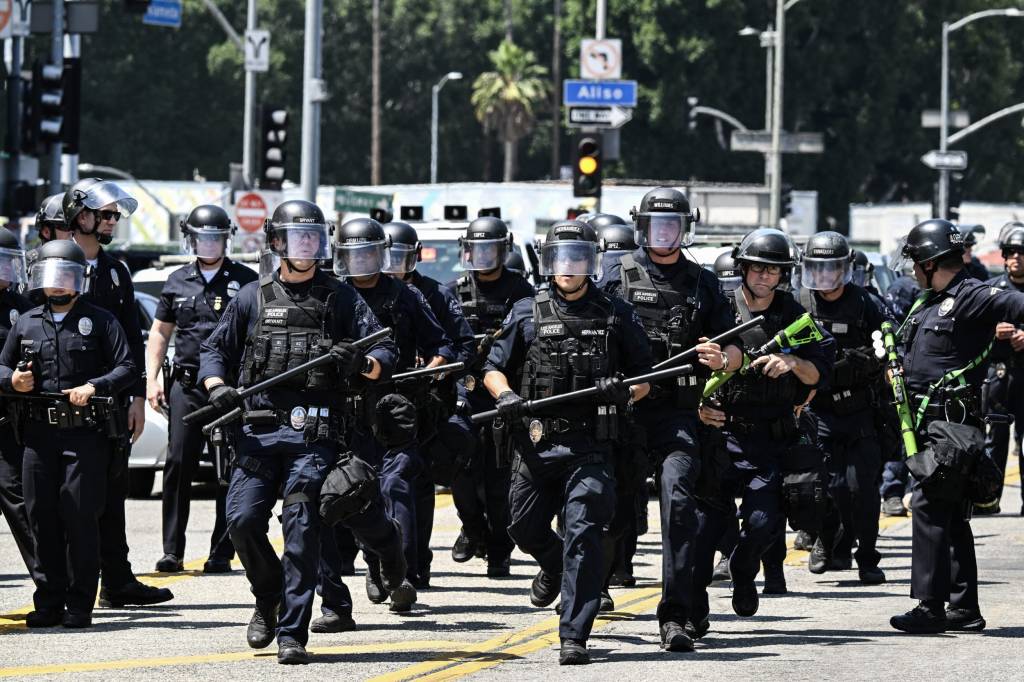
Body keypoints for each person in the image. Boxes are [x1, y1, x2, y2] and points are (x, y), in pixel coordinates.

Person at [199, 200, 404, 663]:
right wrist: (217, 389)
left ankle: (292, 632)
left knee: (302, 528)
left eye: (314, 237)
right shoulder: (252, 296)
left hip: (314, 437)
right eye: (297, 238)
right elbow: (214, 351)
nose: (307, 246)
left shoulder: (341, 298)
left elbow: (386, 351)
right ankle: (267, 595)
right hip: (257, 432)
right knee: (242, 522)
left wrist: (362, 363)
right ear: (277, 243)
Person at [481, 220, 654, 665]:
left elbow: (648, 379)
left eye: (577, 258)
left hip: (591, 445)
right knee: (521, 527)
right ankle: (554, 566)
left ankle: (574, 634)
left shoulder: (617, 313)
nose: (568, 268)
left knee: (583, 534)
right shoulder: (525, 310)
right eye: (560, 259)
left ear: (591, 263)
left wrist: (626, 391)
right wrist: (507, 396)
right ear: (547, 262)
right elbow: (492, 367)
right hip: (537, 442)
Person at [600, 187, 741, 652]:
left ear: (686, 229)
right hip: (622, 413)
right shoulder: (613, 276)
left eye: (673, 226)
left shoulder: (702, 283)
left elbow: (736, 344)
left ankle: (676, 614)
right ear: (640, 226)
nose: (664, 234)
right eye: (656, 226)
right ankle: (582, 586)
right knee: (607, 509)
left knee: (679, 502)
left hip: (678, 414)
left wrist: (723, 359)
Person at [888, 219, 1024, 634]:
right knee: (950, 514)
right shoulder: (928, 300)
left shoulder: (971, 296)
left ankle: (930, 606)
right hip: (927, 423)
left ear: (930, 262)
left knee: (928, 504)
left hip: (953, 423)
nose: (912, 268)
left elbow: (1016, 305)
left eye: (916, 261)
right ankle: (964, 607)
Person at [694, 228, 833, 632]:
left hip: (768, 437)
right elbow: (689, 366)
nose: (764, 277)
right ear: (742, 268)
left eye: (773, 271)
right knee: (703, 530)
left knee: (762, 523)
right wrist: (699, 406)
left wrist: (792, 364)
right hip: (719, 432)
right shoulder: (718, 308)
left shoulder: (796, 315)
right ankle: (694, 608)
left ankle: (743, 565)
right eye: (757, 268)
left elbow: (821, 369)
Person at [0, 239, 136, 628]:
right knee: (40, 518)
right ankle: (48, 601)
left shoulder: (102, 320)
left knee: (79, 518)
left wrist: (95, 385)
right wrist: (13, 380)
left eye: (66, 276)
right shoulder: (26, 321)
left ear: (79, 280)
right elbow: (2, 366)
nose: (58, 285)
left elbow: (127, 366)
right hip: (37, 437)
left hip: (84, 436)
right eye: (51, 276)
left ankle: (79, 604)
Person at [327, 217, 453, 607]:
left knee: (394, 483)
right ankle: (375, 559)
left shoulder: (406, 296)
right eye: (354, 254)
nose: (362, 261)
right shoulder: (332, 295)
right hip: (345, 411)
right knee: (349, 492)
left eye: (369, 252)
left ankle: (401, 569)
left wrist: (424, 378)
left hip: (396, 411)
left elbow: (443, 347)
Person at [63, 178, 173, 608]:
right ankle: (66, 586)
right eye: (104, 214)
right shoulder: (49, 265)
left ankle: (118, 580)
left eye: (115, 215)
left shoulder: (116, 272)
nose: (112, 222)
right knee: (66, 498)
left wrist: (138, 397)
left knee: (113, 491)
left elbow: (132, 337)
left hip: (110, 399)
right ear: (80, 215)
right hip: (61, 399)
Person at [146, 205, 258, 573]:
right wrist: (153, 380)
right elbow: (160, 333)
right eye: (202, 238)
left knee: (230, 465)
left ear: (227, 239)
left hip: (231, 386)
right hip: (188, 384)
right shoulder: (176, 279)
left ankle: (221, 551)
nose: (209, 244)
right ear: (190, 239)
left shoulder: (246, 279)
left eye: (216, 237)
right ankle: (172, 550)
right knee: (178, 462)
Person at [382, 220, 476, 587]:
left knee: (415, 481)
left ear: (415, 257)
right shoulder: (357, 292)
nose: (392, 265)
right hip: (374, 398)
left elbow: (461, 344)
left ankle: (415, 564)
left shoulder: (435, 294)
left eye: (400, 257)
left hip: (423, 400)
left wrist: (438, 368)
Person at [797, 231, 888, 585]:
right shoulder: (801, 301)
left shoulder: (865, 303)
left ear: (844, 269)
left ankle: (867, 556)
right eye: (817, 268)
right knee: (823, 487)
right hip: (817, 411)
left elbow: (887, 344)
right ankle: (825, 539)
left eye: (831, 268)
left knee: (862, 489)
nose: (824, 276)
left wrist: (860, 362)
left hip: (859, 411)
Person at [445, 217, 535, 575]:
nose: (482, 256)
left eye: (489, 249)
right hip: (464, 391)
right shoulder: (453, 291)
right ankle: (472, 528)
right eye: (476, 249)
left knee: (499, 477)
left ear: (503, 250)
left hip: (504, 392)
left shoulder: (522, 291)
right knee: (460, 471)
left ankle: (500, 549)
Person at [975, 222, 1024, 516]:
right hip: (999, 376)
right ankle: (989, 499)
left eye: (1021, 252)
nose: (1016, 257)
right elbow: (971, 329)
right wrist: (993, 331)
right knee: (995, 440)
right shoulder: (991, 290)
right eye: (1010, 252)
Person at [0, 229, 39, 584]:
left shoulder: (22, 307)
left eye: (9, 263)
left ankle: (52, 583)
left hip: (10, 422)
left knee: (22, 504)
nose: (5, 272)